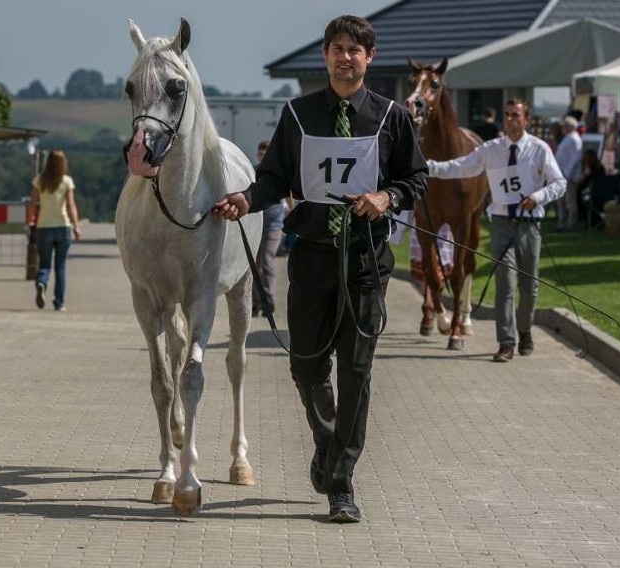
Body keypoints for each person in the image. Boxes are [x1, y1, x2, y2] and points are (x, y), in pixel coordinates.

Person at [212, 15, 427, 523]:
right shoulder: (298, 114)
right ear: (325, 57)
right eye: (336, 48)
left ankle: (341, 482)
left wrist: (386, 195)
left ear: (369, 57)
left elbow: (416, 179)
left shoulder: (392, 117)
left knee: (355, 372)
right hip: (311, 257)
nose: (344, 56)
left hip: (366, 262)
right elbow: (273, 178)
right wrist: (246, 198)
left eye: (354, 49)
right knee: (306, 367)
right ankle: (327, 442)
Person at [426, 99, 566, 362]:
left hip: (529, 225)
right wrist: (429, 167)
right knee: (505, 285)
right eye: (507, 115)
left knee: (529, 287)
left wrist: (539, 196)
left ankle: (524, 330)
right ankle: (506, 342)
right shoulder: (492, 149)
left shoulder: (539, 149)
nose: (511, 119)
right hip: (501, 224)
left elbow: (560, 183)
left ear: (526, 119)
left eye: (516, 115)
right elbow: (461, 166)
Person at [28, 150, 81, 311]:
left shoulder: (39, 180)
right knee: (60, 267)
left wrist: (32, 218)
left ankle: (41, 282)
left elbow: (32, 203)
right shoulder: (66, 181)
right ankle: (59, 302)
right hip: (62, 227)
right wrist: (76, 226)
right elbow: (71, 205)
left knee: (44, 263)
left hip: (44, 227)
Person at [251, 140, 284, 317]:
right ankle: (256, 303)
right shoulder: (253, 172)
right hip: (257, 225)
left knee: (266, 260)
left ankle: (268, 301)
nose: (263, 158)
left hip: (274, 226)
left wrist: (289, 216)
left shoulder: (278, 172)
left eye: (266, 155)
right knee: (255, 265)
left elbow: (290, 197)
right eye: (261, 154)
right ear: (258, 155)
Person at [554, 115, 583, 231]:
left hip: (568, 175)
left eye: (564, 126)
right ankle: (562, 221)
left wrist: (568, 172)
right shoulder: (568, 138)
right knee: (561, 200)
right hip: (562, 174)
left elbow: (576, 157)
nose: (562, 128)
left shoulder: (574, 139)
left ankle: (571, 223)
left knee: (569, 200)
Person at [577, 149, 606, 227]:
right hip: (599, 192)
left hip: (592, 193)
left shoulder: (592, 168)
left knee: (578, 195)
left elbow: (583, 180)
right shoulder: (599, 167)